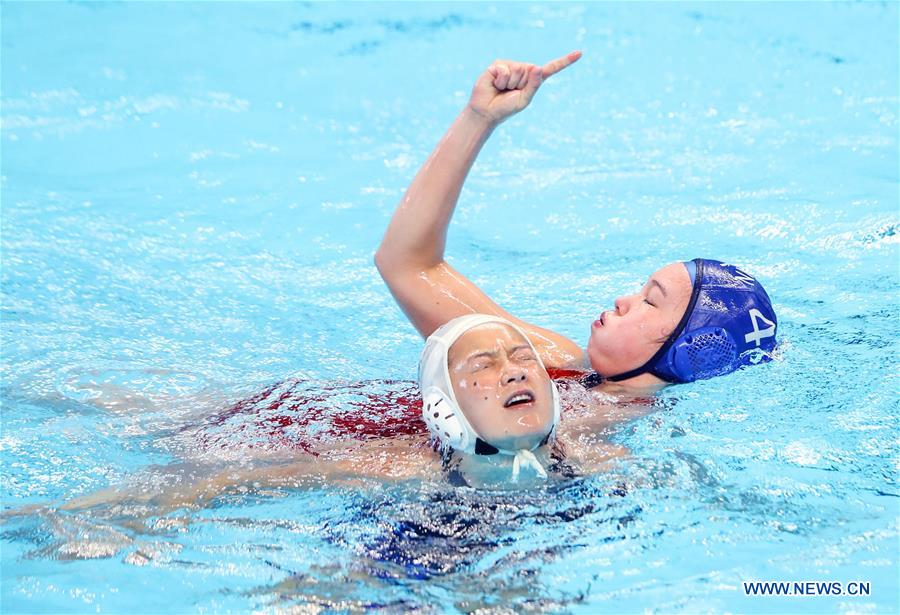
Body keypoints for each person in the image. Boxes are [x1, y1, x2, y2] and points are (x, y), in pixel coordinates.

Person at [374, 51, 778, 392]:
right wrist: (479, 118)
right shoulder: (551, 362)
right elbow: (407, 265)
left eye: (649, 301)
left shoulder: (604, 448)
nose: (622, 301)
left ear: (691, 353)